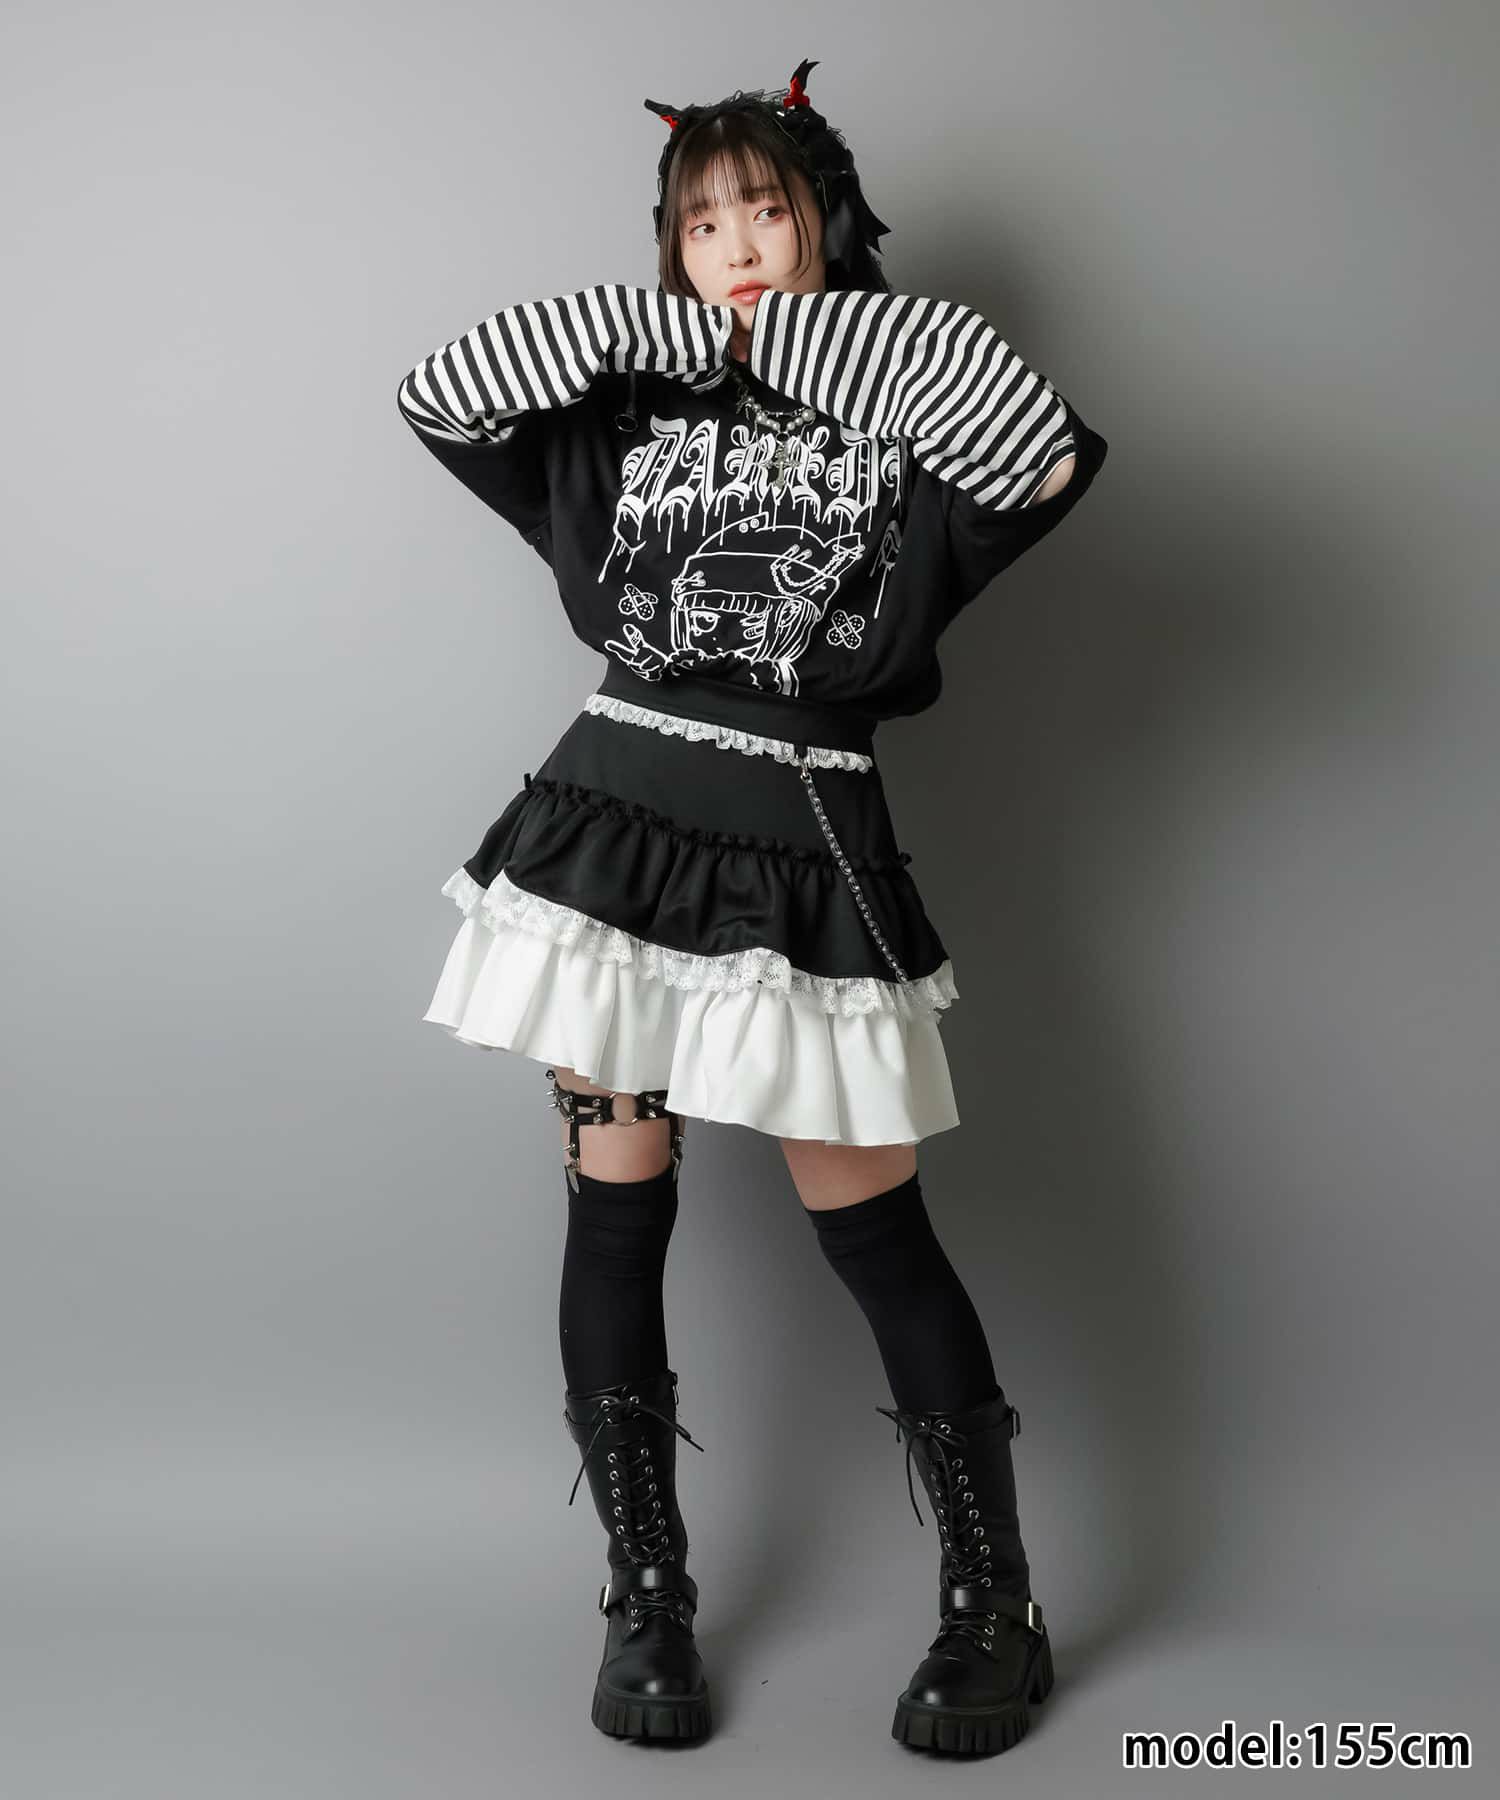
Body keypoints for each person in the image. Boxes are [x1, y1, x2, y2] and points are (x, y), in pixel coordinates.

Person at [395, 56, 1108, 1758]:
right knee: (613, 1203)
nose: (731, 245)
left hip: (803, 854)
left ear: (821, 220)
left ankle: (997, 1605)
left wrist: (794, 335)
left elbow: (1037, 454)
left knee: (876, 1230)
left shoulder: (914, 403)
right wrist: (676, 335)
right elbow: (442, 387)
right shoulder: (627, 407)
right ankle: (647, 1597)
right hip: (609, 842)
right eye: (698, 221)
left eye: (763, 210)